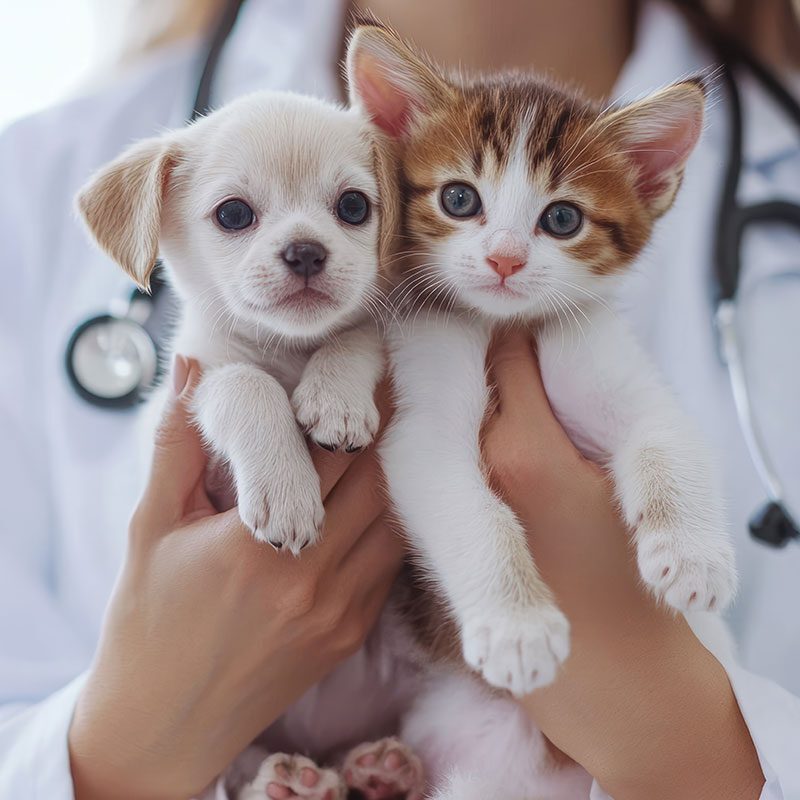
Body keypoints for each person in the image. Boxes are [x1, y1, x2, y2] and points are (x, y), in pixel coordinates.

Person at [0, 0, 798, 798]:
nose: (507, 252)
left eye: (354, 207)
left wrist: (685, 741)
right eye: (236, 215)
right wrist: (121, 742)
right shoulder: (41, 170)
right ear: (400, 134)